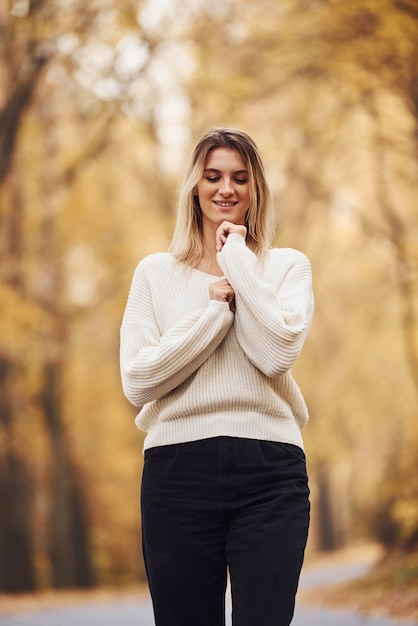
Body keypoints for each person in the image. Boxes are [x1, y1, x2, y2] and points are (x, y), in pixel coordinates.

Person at [120, 127, 314, 626]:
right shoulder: (155, 274)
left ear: (255, 190)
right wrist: (212, 315)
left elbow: (275, 352)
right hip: (176, 473)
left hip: (270, 470)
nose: (225, 188)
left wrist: (237, 260)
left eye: (239, 178)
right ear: (195, 186)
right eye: (213, 176)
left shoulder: (287, 267)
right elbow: (138, 381)